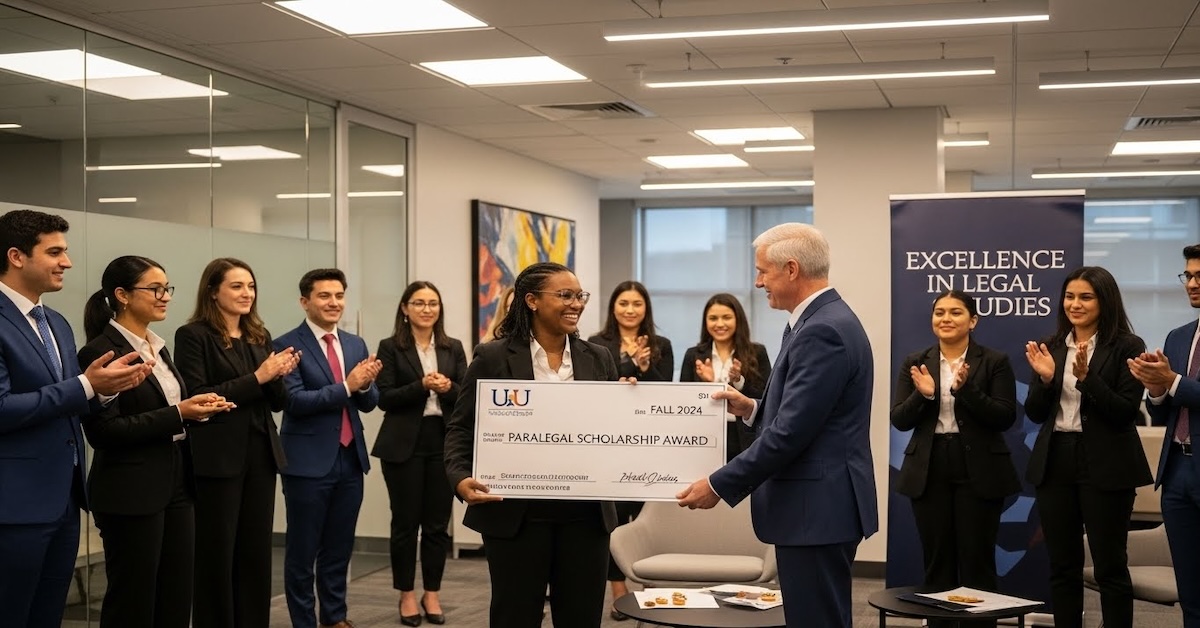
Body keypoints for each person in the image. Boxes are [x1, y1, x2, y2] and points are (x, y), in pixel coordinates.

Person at [676, 222, 878, 628]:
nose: (758, 282)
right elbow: (808, 415)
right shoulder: (817, 320)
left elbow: (790, 434)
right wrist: (752, 408)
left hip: (815, 510)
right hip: (818, 508)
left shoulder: (822, 330)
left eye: (762, 271)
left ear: (791, 269)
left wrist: (717, 484)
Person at [445, 262, 619, 628]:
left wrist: (630, 402)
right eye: (565, 295)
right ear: (532, 301)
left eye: (580, 296)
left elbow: (613, 428)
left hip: (586, 518)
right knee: (515, 616)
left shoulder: (599, 357)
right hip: (517, 516)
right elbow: (461, 427)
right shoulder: (493, 357)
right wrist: (459, 478)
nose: (576, 303)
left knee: (582, 618)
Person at [0, 210, 149, 628]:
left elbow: (71, 402)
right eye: (54, 252)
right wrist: (85, 385)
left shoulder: (56, 323)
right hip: (13, 506)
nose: (66, 262)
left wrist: (106, 390)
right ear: (16, 256)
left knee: (47, 615)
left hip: (63, 501)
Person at [78, 255, 235, 628]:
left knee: (176, 596)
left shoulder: (158, 346)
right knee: (133, 601)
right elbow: (104, 432)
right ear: (122, 295)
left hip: (176, 480)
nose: (165, 296)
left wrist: (196, 409)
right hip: (130, 488)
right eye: (155, 289)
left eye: (167, 288)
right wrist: (179, 413)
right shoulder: (101, 351)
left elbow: (165, 410)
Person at [174, 257, 300, 628]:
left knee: (255, 552)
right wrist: (259, 377)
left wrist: (278, 375)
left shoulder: (259, 335)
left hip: (261, 454)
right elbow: (199, 395)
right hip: (218, 457)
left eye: (251, 286)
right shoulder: (193, 335)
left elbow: (277, 402)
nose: (247, 293)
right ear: (213, 291)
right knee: (217, 553)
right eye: (237, 286)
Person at [1024, 266, 1152, 628]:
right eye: (1069, 297)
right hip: (1055, 460)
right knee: (1062, 565)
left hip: (1107, 462)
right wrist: (1047, 379)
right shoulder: (1051, 346)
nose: (1075, 304)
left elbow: (1124, 412)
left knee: (1110, 566)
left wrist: (1086, 378)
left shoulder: (1128, 346)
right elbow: (1035, 412)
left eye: (1085, 297)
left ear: (1104, 301)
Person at [890, 290, 1020, 628]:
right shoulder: (915, 362)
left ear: (973, 321)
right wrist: (925, 395)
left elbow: (1005, 416)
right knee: (937, 565)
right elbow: (900, 419)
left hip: (980, 468)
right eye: (940, 312)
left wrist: (967, 390)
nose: (946, 318)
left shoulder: (994, 361)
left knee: (978, 563)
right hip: (929, 467)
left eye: (956, 312)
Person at [274, 269, 382, 628]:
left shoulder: (355, 344)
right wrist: (349, 386)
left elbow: (369, 402)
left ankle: (334, 617)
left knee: (339, 547)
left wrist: (364, 386)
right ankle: (303, 621)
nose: (334, 302)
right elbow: (294, 401)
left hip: (350, 459)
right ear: (305, 301)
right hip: (307, 463)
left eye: (339, 295)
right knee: (303, 552)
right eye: (324, 296)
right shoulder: (286, 345)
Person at [373, 280, 467, 626]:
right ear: (405, 308)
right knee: (405, 523)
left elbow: (467, 395)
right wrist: (422, 385)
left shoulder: (453, 347)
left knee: (437, 526)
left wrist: (448, 387)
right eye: (419, 303)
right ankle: (406, 594)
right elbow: (384, 398)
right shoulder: (390, 347)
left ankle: (432, 592)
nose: (427, 309)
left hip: (443, 443)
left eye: (433, 303)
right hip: (403, 445)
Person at [585, 280, 674, 620]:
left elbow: (665, 392)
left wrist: (646, 367)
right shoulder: (596, 344)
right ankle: (618, 590)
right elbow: (600, 390)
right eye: (623, 303)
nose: (630, 310)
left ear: (645, 308)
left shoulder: (661, 344)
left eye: (637, 303)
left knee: (648, 517)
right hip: (613, 441)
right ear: (613, 307)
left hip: (651, 441)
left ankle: (651, 588)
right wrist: (628, 363)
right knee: (615, 517)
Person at [1128, 244, 1200, 628]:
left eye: (1199, 276)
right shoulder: (1177, 337)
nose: (1192, 283)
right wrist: (1156, 389)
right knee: (1190, 592)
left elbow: (1181, 387)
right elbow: (1163, 411)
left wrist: (1172, 381)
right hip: (1176, 474)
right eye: (1188, 275)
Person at [679, 293, 771, 461]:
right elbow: (684, 401)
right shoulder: (693, 355)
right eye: (713, 318)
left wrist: (739, 382)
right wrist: (708, 384)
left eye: (726, 317)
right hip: (704, 436)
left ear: (738, 320)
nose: (720, 324)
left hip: (744, 437)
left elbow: (766, 398)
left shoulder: (757, 352)